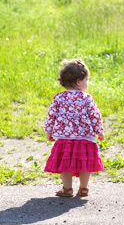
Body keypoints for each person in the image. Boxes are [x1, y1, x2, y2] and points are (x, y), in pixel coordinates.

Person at [44, 59, 104, 197]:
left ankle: (67, 189)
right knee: (84, 164)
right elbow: (95, 116)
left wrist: (48, 131)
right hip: (85, 138)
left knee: (65, 164)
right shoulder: (87, 98)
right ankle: (83, 188)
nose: (87, 83)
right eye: (86, 80)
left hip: (65, 138)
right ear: (78, 82)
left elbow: (51, 116)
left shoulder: (58, 98)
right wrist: (99, 131)